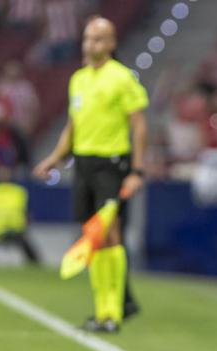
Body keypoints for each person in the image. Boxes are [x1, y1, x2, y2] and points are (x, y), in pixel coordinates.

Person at [33, 16, 148, 333]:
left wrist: (137, 171)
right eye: (87, 38)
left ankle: (113, 313)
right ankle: (102, 310)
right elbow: (73, 125)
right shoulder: (78, 79)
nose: (90, 44)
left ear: (111, 43)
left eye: (98, 39)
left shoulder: (122, 78)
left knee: (108, 233)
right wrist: (55, 158)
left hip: (111, 164)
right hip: (83, 164)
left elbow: (139, 126)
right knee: (91, 235)